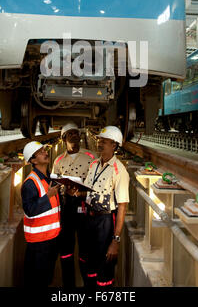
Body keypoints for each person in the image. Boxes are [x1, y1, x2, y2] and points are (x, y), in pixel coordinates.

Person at [82, 125, 130, 288]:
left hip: (106, 221)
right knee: (89, 262)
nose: (99, 143)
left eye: (104, 141)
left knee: (105, 266)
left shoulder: (119, 171)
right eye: (99, 140)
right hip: (89, 219)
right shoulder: (94, 164)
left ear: (114, 145)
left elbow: (122, 206)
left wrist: (115, 241)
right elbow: (89, 190)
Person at [52, 122, 96, 288]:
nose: (74, 136)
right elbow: (55, 183)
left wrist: (81, 190)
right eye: (70, 134)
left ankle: (88, 283)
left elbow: (96, 182)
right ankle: (68, 285)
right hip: (67, 205)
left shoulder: (91, 157)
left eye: (76, 133)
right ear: (64, 138)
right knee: (66, 247)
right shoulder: (58, 160)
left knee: (85, 246)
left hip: (84, 204)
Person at [21, 141, 61, 287]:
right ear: (32, 160)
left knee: (47, 278)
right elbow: (29, 210)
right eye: (40, 152)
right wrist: (48, 196)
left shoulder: (49, 177)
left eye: (44, 149)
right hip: (38, 243)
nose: (45, 152)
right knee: (37, 280)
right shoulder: (31, 183)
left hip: (51, 238)